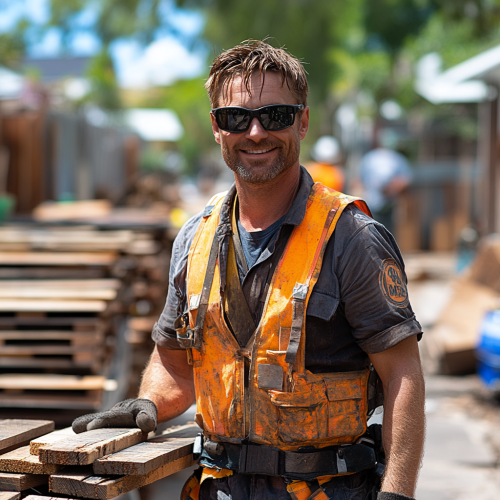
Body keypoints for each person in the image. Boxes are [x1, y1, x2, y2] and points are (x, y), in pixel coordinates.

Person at [73, 40, 425, 500]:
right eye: (236, 118)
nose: (255, 132)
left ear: (302, 121)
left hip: (328, 489)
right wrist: (150, 403)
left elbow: (403, 375)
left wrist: (397, 494)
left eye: (275, 115)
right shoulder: (193, 240)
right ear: (218, 130)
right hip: (218, 488)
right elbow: (176, 365)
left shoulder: (351, 238)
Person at [359, 133, 413, 234]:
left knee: (374, 237)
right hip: (377, 205)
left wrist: (391, 188)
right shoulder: (398, 159)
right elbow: (405, 181)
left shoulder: (369, 158)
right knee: (386, 237)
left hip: (381, 205)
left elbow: (359, 181)